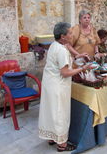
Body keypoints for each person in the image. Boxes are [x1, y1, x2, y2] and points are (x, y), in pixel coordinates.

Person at [38, 22, 94, 152]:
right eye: (69, 32)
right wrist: (82, 68)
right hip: (58, 86)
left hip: (49, 84)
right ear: (63, 36)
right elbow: (65, 72)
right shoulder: (61, 50)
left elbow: (63, 60)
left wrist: (77, 56)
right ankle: (62, 144)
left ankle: (52, 138)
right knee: (60, 113)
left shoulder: (54, 45)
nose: (71, 34)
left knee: (51, 111)